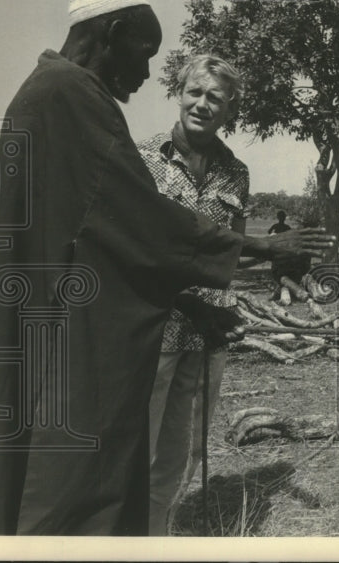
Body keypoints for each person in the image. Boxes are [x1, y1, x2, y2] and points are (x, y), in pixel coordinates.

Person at [0, 0, 334, 536]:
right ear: (113, 31)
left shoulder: (53, 91)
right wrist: (263, 246)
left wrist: (197, 304)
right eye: (145, 55)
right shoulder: (73, 95)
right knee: (72, 484)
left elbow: (102, 245)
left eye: (216, 97)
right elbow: (142, 226)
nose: (145, 74)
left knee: (157, 465)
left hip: (94, 323)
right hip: (81, 338)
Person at [137, 54, 254, 534]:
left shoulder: (237, 173)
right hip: (153, 327)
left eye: (216, 99)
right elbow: (134, 251)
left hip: (209, 335)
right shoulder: (142, 159)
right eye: (195, 93)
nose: (202, 105)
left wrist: (274, 258)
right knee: (137, 442)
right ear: (179, 93)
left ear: (230, 112)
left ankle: (160, 531)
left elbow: (233, 252)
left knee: (186, 446)